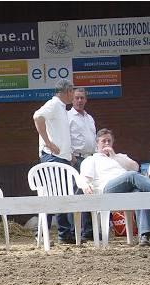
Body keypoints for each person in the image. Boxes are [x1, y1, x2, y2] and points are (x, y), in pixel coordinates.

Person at [80, 129, 150, 247]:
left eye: (109, 141)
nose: (106, 143)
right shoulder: (92, 159)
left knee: (139, 194)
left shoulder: (119, 157)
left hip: (127, 188)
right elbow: (84, 178)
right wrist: (85, 186)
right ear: (97, 143)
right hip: (107, 189)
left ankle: (144, 236)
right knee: (131, 176)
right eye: (103, 141)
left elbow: (135, 167)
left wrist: (114, 157)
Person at [33, 79, 75, 243]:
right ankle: (58, 233)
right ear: (67, 91)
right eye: (72, 91)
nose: (73, 95)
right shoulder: (54, 104)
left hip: (60, 157)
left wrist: (68, 154)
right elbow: (37, 117)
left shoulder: (61, 108)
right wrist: (48, 143)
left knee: (58, 194)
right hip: (52, 157)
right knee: (55, 194)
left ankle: (58, 233)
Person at [67, 87, 97, 241]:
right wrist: (70, 155)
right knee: (77, 195)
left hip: (90, 159)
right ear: (72, 100)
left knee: (90, 193)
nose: (79, 100)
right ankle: (75, 231)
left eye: (82, 98)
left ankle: (89, 231)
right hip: (76, 160)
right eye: (76, 98)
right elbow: (65, 138)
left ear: (86, 100)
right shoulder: (67, 117)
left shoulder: (89, 118)